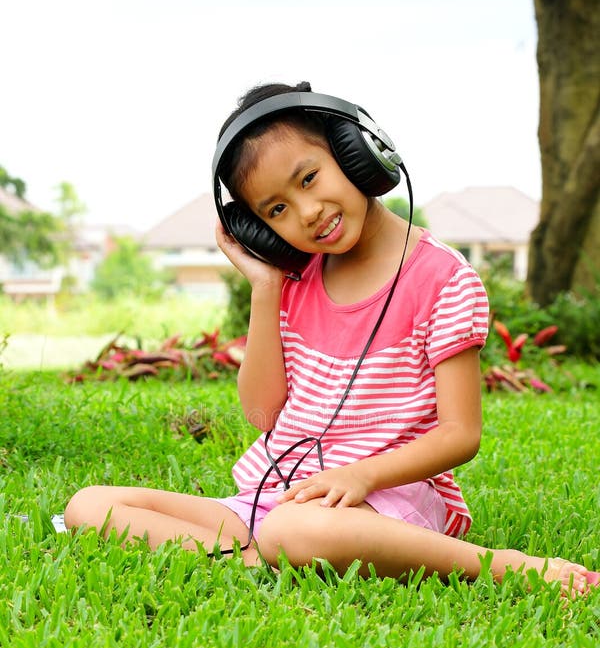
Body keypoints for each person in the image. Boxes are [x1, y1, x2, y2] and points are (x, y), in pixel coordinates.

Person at [64, 81, 598, 597]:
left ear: (357, 152)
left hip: (387, 498)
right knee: (89, 506)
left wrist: (361, 476)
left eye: (308, 178)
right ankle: (263, 557)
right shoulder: (294, 282)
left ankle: (499, 566)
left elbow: (460, 435)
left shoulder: (443, 279)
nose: (307, 212)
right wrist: (265, 288)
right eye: (275, 211)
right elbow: (261, 415)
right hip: (280, 499)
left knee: (298, 531)